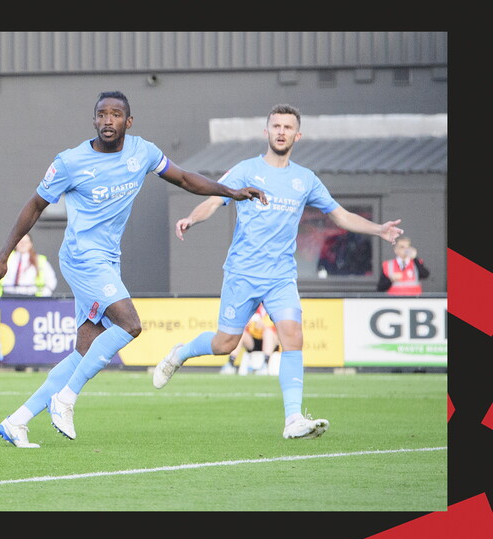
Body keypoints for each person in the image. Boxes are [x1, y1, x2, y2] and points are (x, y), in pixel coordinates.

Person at [0, 91, 265, 448]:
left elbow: (183, 178)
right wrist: (3, 256)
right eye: (101, 114)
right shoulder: (70, 162)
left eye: (116, 114)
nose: (107, 120)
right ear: (94, 120)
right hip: (82, 257)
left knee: (83, 352)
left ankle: (17, 420)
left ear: (128, 123)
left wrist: (230, 192)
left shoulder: (142, 152)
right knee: (130, 324)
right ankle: (66, 398)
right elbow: (35, 205)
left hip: (107, 260)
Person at [153, 103, 404, 440]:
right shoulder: (245, 170)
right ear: (266, 132)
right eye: (276, 126)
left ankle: (293, 419)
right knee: (226, 343)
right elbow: (214, 198)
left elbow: (340, 215)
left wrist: (379, 230)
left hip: (280, 276)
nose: (281, 132)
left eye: (288, 127)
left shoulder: (305, 179)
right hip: (242, 272)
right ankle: (180, 353)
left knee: (293, 336)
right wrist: (191, 219)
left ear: (297, 135)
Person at [0, 232, 58, 296]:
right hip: (7, 297)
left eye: (26, 242)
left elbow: (51, 281)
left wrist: (43, 295)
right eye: (20, 242)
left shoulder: (40, 261)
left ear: (30, 244)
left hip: (31, 299)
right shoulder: (5, 259)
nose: (23, 244)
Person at [221, 303, 278, 375]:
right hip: (254, 341)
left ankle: (265, 364)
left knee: (268, 332)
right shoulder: (252, 308)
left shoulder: (275, 308)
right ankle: (230, 363)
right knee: (241, 333)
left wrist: (263, 325)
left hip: (272, 340)